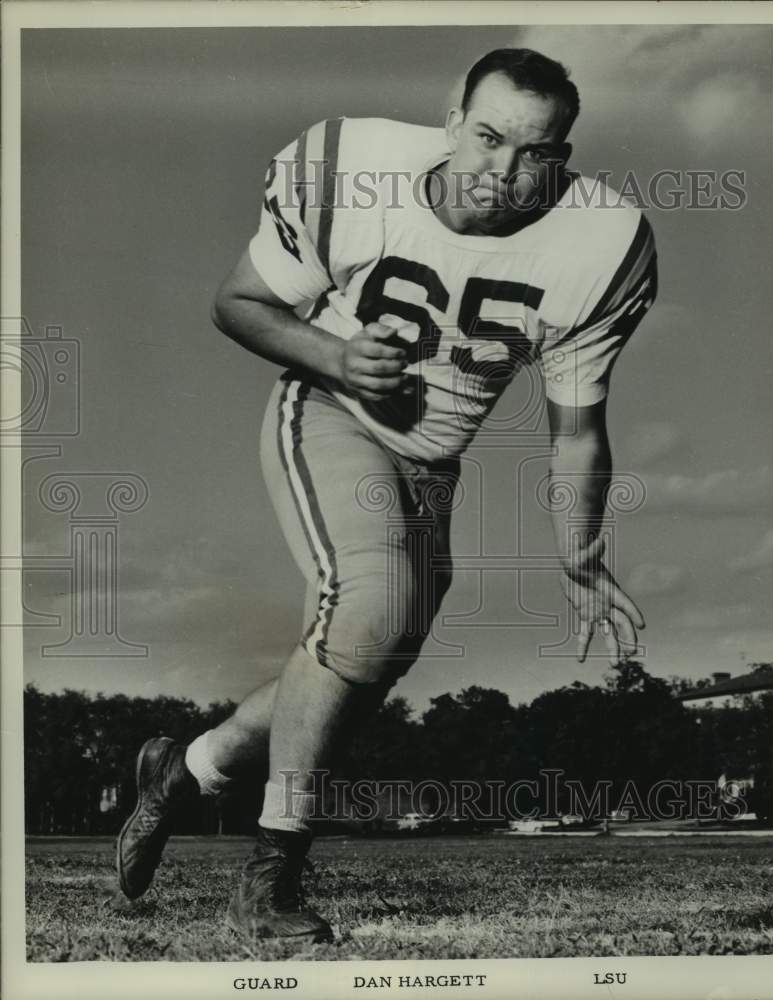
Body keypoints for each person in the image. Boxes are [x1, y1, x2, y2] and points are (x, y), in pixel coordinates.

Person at [116, 47, 656, 943]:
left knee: (359, 661)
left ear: (562, 154)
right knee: (369, 611)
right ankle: (272, 879)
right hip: (330, 411)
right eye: (487, 138)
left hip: (433, 464)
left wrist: (580, 553)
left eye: (536, 153)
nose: (504, 171)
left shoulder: (602, 244)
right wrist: (335, 356)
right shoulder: (354, 169)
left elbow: (578, 430)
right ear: (452, 121)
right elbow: (239, 302)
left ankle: (186, 771)